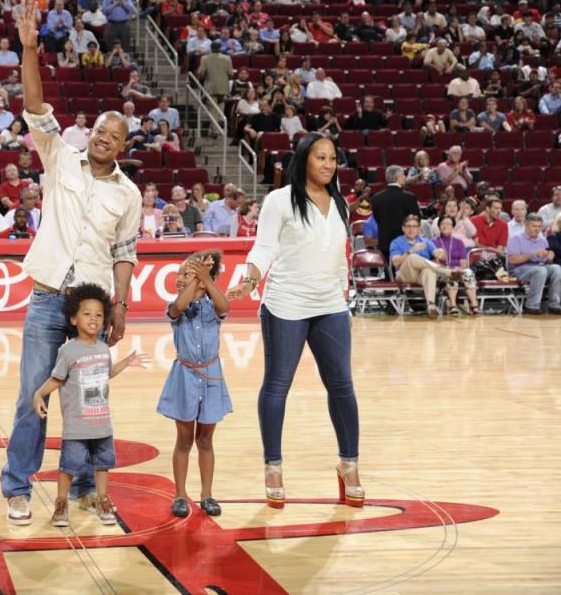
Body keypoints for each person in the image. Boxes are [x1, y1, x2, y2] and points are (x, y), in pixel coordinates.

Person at [2, 0, 143, 526]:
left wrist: (120, 308)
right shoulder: (59, 154)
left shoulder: (128, 194)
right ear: (91, 135)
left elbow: (124, 252)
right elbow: (35, 105)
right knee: (33, 397)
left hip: (92, 309)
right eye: (100, 131)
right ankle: (18, 486)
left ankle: (84, 485)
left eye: (115, 135)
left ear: (124, 146)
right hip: (45, 300)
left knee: (88, 403)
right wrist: (30, 48)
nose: (105, 138)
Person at [227, 133, 363, 510]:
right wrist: (251, 278)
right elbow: (264, 247)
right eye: (321, 157)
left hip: (330, 306)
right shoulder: (279, 201)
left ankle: (348, 464)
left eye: (333, 159)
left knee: (342, 386)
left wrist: (344, 303)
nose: (327, 165)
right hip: (286, 304)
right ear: (304, 159)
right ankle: (273, 467)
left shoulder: (340, 203)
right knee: (277, 385)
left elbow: (340, 258)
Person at [33, 284, 147, 527]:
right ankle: (61, 503)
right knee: (68, 467)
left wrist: (127, 362)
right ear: (73, 318)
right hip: (76, 425)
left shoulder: (103, 348)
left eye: (98, 314)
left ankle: (102, 499)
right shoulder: (68, 350)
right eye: (87, 313)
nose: (93, 318)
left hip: (102, 424)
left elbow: (106, 374)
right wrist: (39, 394)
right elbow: (57, 378)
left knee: (103, 464)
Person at [156, 250, 230, 517]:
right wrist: (197, 280)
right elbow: (178, 306)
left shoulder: (213, 305)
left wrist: (204, 279)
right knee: (184, 439)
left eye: (185, 274)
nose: (179, 278)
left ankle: (207, 494)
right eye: (178, 274)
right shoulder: (177, 306)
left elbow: (225, 306)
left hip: (211, 378)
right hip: (185, 378)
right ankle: (179, 494)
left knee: (206, 440)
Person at [391, 214, 466, 318]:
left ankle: (431, 306)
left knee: (428, 270)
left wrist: (440, 252)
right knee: (412, 257)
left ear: (418, 229)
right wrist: (410, 251)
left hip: (421, 276)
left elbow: (440, 255)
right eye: (408, 226)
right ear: (403, 228)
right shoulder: (396, 242)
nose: (411, 229)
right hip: (404, 274)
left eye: (414, 226)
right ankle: (447, 272)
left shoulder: (425, 241)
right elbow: (395, 262)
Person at [506, 214, 561, 315]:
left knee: (557, 269)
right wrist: (533, 254)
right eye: (534, 226)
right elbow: (513, 260)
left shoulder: (543, 240)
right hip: (519, 269)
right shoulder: (516, 238)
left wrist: (549, 257)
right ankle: (532, 306)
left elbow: (545, 262)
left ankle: (555, 305)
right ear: (526, 225)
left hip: (539, 267)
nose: (537, 229)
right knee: (541, 271)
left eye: (539, 226)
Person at [371, 165, 421, 257]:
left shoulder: (375, 198)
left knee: (389, 271)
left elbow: (378, 219)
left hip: (385, 243)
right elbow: (416, 219)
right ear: (398, 178)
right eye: (403, 175)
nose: (405, 177)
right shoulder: (409, 197)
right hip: (406, 243)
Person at [435, 215, 481, 315]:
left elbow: (463, 262)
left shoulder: (459, 242)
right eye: (442, 224)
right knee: (452, 274)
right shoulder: (434, 242)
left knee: (468, 272)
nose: (445, 226)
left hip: (458, 270)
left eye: (448, 224)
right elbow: (434, 262)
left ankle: (474, 304)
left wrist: (459, 269)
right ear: (439, 226)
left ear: (453, 227)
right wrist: (448, 270)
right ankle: (452, 305)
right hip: (442, 272)